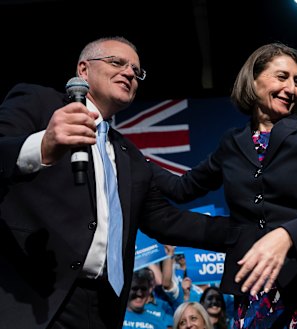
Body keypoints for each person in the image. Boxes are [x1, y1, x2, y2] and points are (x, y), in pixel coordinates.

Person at [0, 36, 232, 328]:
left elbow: (168, 220)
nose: (129, 73)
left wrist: (248, 233)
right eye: (117, 63)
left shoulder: (129, 157)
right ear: (83, 70)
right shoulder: (39, 103)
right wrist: (41, 145)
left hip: (103, 308)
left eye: (136, 71)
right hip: (35, 298)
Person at [150, 42, 297, 328]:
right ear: (253, 80)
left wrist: (287, 236)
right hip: (259, 297)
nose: (292, 88)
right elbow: (181, 189)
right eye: (282, 77)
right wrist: (124, 155)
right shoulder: (231, 145)